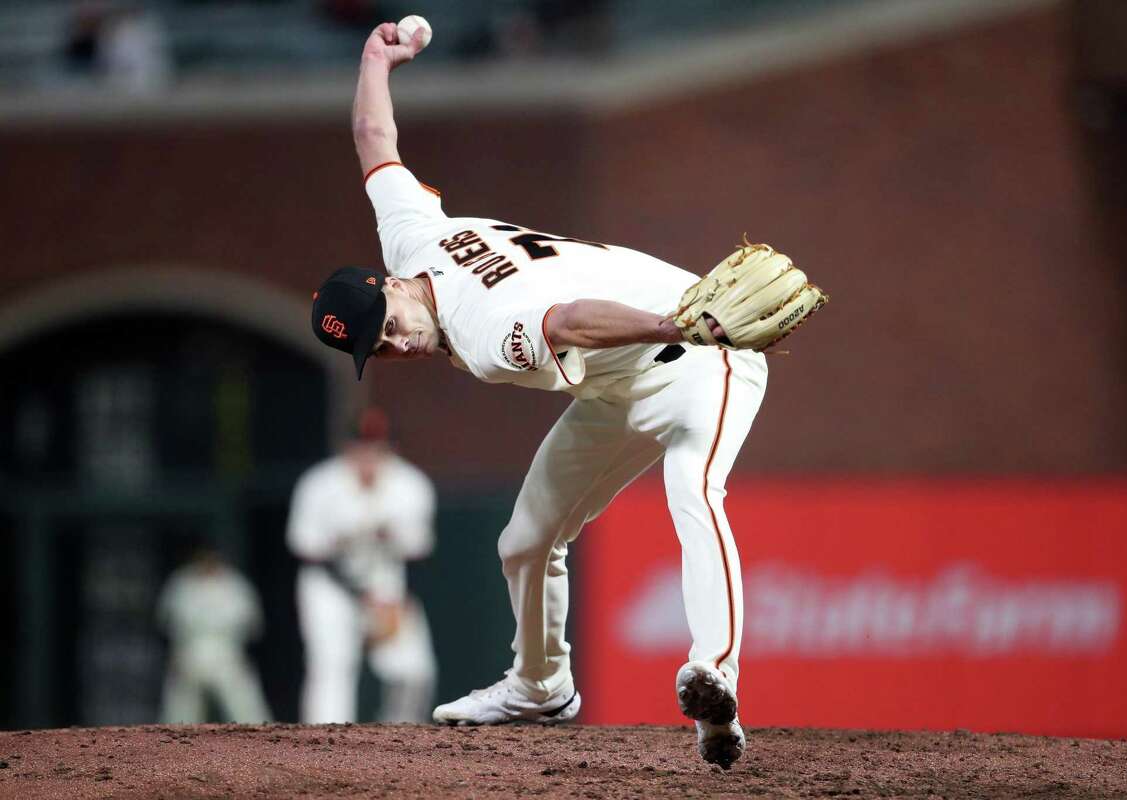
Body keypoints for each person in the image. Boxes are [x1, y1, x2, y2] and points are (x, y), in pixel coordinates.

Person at [310, 19, 776, 768]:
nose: (394, 344)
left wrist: (681, 325)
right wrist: (375, 60)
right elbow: (373, 137)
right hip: (622, 380)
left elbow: (571, 321)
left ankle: (714, 675)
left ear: (391, 286)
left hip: (702, 351)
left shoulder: (483, 328)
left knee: (693, 487)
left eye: (385, 325)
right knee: (525, 541)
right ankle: (539, 685)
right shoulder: (410, 237)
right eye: (376, 348)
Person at [287, 408, 437, 724]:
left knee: (413, 671)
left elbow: (418, 553)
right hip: (329, 587)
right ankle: (324, 748)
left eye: (376, 447)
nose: (367, 454)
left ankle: (402, 743)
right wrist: (359, 595)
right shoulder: (320, 485)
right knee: (331, 666)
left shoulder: (410, 485)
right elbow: (308, 551)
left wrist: (402, 600)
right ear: (347, 447)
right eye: (361, 446)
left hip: (386, 583)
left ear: (390, 448)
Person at [158, 546, 272, 724]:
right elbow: (166, 623)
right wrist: (175, 653)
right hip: (190, 653)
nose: (207, 563)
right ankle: (170, 750)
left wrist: (241, 651)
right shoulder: (181, 583)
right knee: (180, 716)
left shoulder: (235, 584)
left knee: (248, 713)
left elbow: (253, 625)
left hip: (227, 653)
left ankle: (266, 746)